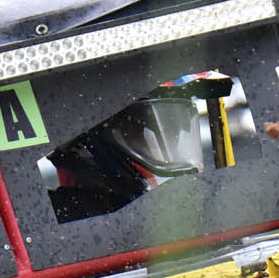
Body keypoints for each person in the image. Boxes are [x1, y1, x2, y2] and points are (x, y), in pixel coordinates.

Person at [48, 88, 209, 222]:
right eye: (136, 135)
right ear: (86, 147)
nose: (151, 145)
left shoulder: (147, 206)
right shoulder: (73, 217)